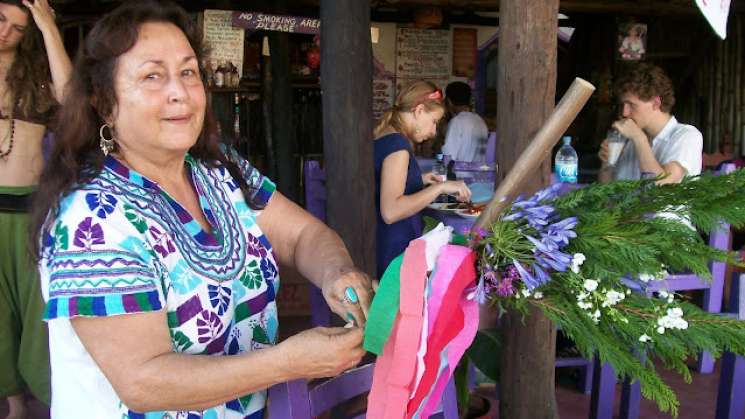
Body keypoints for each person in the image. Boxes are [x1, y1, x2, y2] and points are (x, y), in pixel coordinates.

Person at [28, 2, 372, 417]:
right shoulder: (91, 218)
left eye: (188, 72)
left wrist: (337, 272)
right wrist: (288, 362)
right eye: (152, 76)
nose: (180, 92)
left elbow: (303, 236)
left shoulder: (218, 170)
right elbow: (142, 382)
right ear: (104, 103)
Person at [0, 0, 71, 417]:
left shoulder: (36, 75)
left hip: (31, 206)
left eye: (17, 28)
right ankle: (13, 404)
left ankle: (50, 396)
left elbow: (70, 96)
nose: (6, 32)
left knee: (38, 304)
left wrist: (47, 27)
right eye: (1, 21)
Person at [374, 81, 471, 277]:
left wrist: (422, 179)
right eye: (434, 121)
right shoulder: (398, 145)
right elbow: (391, 211)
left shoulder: (384, 136)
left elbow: (385, 183)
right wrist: (440, 188)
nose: (434, 132)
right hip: (395, 249)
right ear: (419, 111)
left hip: (383, 243)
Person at [598, 63, 702, 184]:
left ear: (656, 103)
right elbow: (605, 192)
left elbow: (664, 186)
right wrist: (607, 164)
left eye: (631, 105)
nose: (624, 113)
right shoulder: (628, 140)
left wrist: (639, 138)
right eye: (623, 105)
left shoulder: (687, 136)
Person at [441, 81, 489, 162]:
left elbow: (448, 157)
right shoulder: (480, 121)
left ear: (449, 102)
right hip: (480, 173)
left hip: (461, 174)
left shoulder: (457, 122)